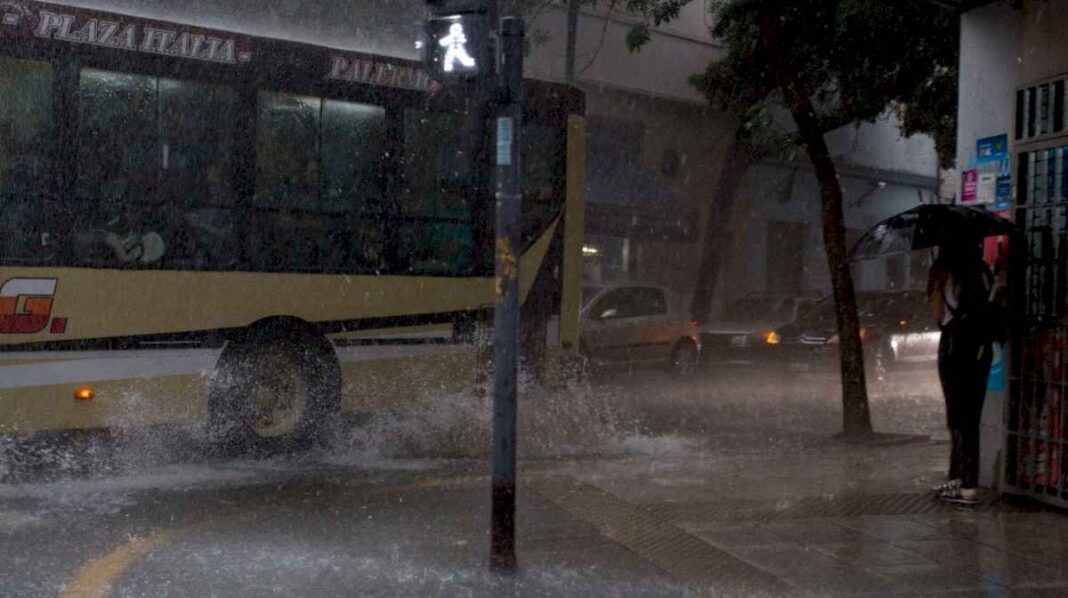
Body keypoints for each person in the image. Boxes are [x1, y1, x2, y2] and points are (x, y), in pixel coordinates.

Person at [927, 243, 996, 505]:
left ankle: (964, 485)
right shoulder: (984, 271)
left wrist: (935, 284)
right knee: (971, 416)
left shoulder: (944, 273)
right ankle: (961, 480)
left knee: (956, 416)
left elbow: (937, 314)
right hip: (981, 348)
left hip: (955, 346)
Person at [100, 211, 165, 266]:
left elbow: (136, 267)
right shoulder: (125, 235)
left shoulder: (154, 239)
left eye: (133, 211)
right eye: (126, 211)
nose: (126, 215)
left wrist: (116, 245)